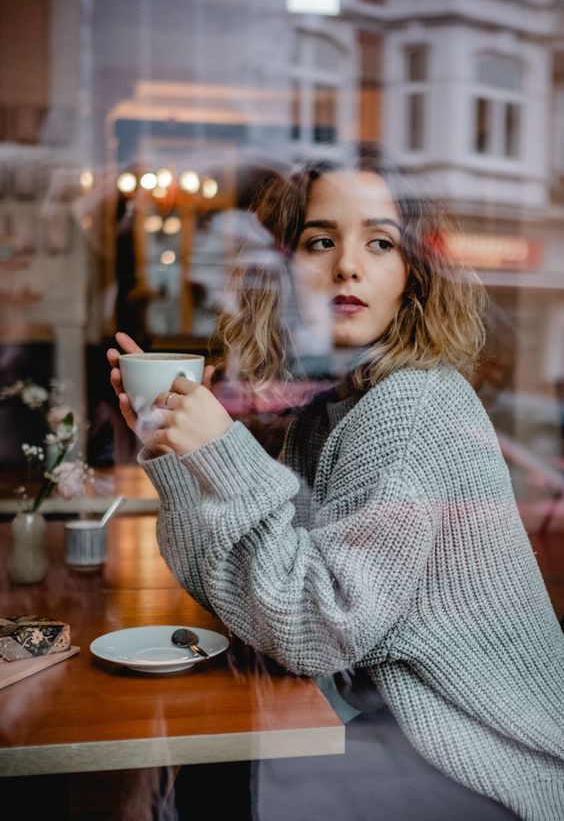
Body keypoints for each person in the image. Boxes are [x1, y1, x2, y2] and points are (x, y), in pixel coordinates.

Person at [108, 143, 564, 821]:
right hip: (376, 713)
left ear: (414, 274)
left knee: (191, 792)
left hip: (473, 752)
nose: (348, 264)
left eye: (381, 243)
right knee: (195, 783)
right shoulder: (331, 406)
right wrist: (176, 457)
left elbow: (314, 630)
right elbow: (236, 588)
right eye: (321, 241)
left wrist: (225, 451)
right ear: (284, 270)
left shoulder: (412, 405)